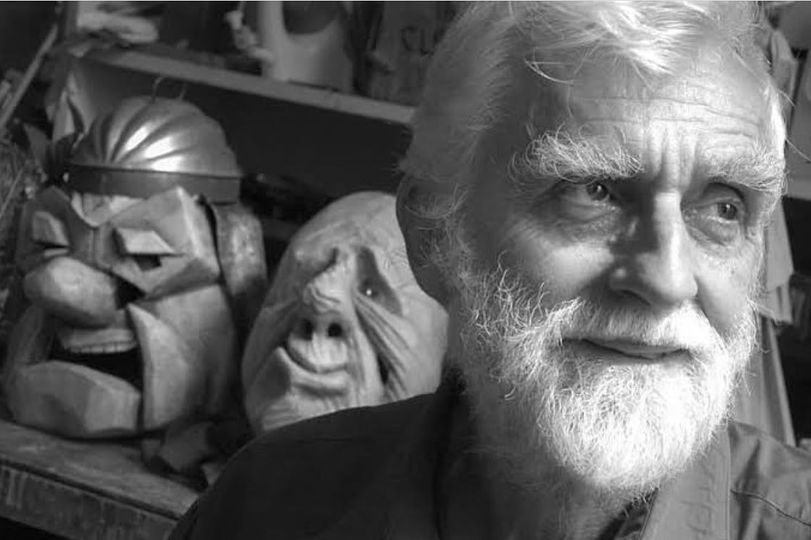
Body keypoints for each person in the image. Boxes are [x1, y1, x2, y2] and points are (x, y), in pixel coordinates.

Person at [170, 2, 811, 539]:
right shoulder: (262, 508)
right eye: (593, 191)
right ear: (435, 234)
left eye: (723, 208)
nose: (668, 280)